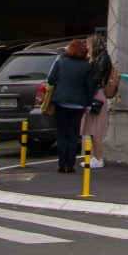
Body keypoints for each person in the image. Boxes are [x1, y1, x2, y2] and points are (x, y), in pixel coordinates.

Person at [43, 38, 92, 174]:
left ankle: (61, 164)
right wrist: (88, 104)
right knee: (73, 134)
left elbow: (51, 80)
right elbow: (90, 87)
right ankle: (70, 165)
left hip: (61, 101)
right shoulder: (86, 66)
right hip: (78, 104)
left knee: (62, 134)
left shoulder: (60, 63)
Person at [80, 29, 117, 169]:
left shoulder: (102, 58)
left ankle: (98, 157)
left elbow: (95, 78)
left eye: (89, 44)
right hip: (95, 93)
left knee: (95, 128)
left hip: (97, 95)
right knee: (92, 128)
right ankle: (96, 156)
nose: (87, 47)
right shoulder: (98, 58)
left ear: (95, 44)